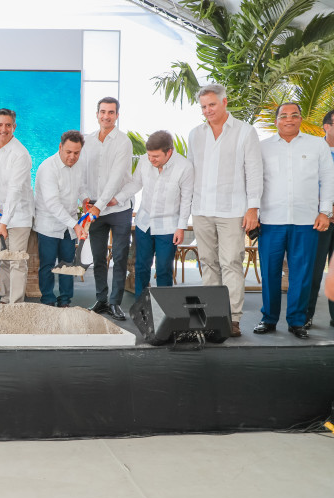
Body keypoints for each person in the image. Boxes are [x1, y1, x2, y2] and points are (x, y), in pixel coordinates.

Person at [252, 103, 334, 339]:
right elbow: (255, 181)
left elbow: (328, 179)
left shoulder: (317, 145)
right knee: (270, 272)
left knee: (302, 273)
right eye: (284, 116)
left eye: (294, 115)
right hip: (270, 220)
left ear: (300, 119)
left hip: (306, 220)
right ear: (276, 120)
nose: (289, 119)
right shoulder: (262, 147)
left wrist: (324, 212)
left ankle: (297, 321)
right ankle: (268, 319)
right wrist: (253, 211)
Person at [188, 83, 262, 337]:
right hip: (201, 209)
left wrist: (253, 208)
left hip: (232, 210)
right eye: (203, 107)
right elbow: (191, 172)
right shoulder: (195, 134)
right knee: (208, 263)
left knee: (231, 262)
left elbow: (254, 172)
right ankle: (211, 315)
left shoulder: (245, 132)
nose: (207, 110)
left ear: (224, 102)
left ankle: (232, 318)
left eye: (212, 105)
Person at [112, 131, 194, 299]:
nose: (151, 159)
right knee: (141, 266)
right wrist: (116, 199)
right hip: (144, 223)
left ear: (169, 152)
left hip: (169, 226)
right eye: (149, 155)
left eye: (156, 156)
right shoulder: (144, 160)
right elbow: (135, 184)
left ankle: (164, 307)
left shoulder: (185, 167)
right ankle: (140, 305)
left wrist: (181, 227)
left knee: (164, 268)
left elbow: (187, 199)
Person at [82, 97, 133, 321]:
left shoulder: (124, 142)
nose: (106, 116)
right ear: (97, 114)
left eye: (111, 112)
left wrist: (98, 206)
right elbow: (82, 173)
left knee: (120, 256)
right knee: (98, 256)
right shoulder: (87, 140)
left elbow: (115, 178)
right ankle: (101, 299)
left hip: (118, 209)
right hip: (94, 208)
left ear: (117, 115)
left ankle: (115, 303)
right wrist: (85, 198)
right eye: (103, 112)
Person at [0, 108, 34, 305]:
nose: (3, 129)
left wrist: (3, 223)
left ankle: (16, 305)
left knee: (17, 261)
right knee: (3, 258)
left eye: (8, 125)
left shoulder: (21, 154)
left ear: (14, 127)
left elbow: (15, 190)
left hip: (19, 215)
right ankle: (5, 301)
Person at [33, 130, 88, 307]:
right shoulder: (48, 168)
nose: (72, 157)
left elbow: (81, 187)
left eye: (76, 153)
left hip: (69, 226)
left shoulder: (79, 165)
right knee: (48, 265)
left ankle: (65, 301)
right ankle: (48, 300)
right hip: (48, 224)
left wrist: (85, 200)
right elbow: (52, 203)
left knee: (68, 264)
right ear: (60, 147)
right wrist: (76, 225)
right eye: (68, 152)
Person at [305, 109, 334, 329]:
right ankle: (305, 316)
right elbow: (304, 183)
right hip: (318, 220)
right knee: (312, 272)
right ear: (326, 126)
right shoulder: (312, 151)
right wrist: (326, 210)